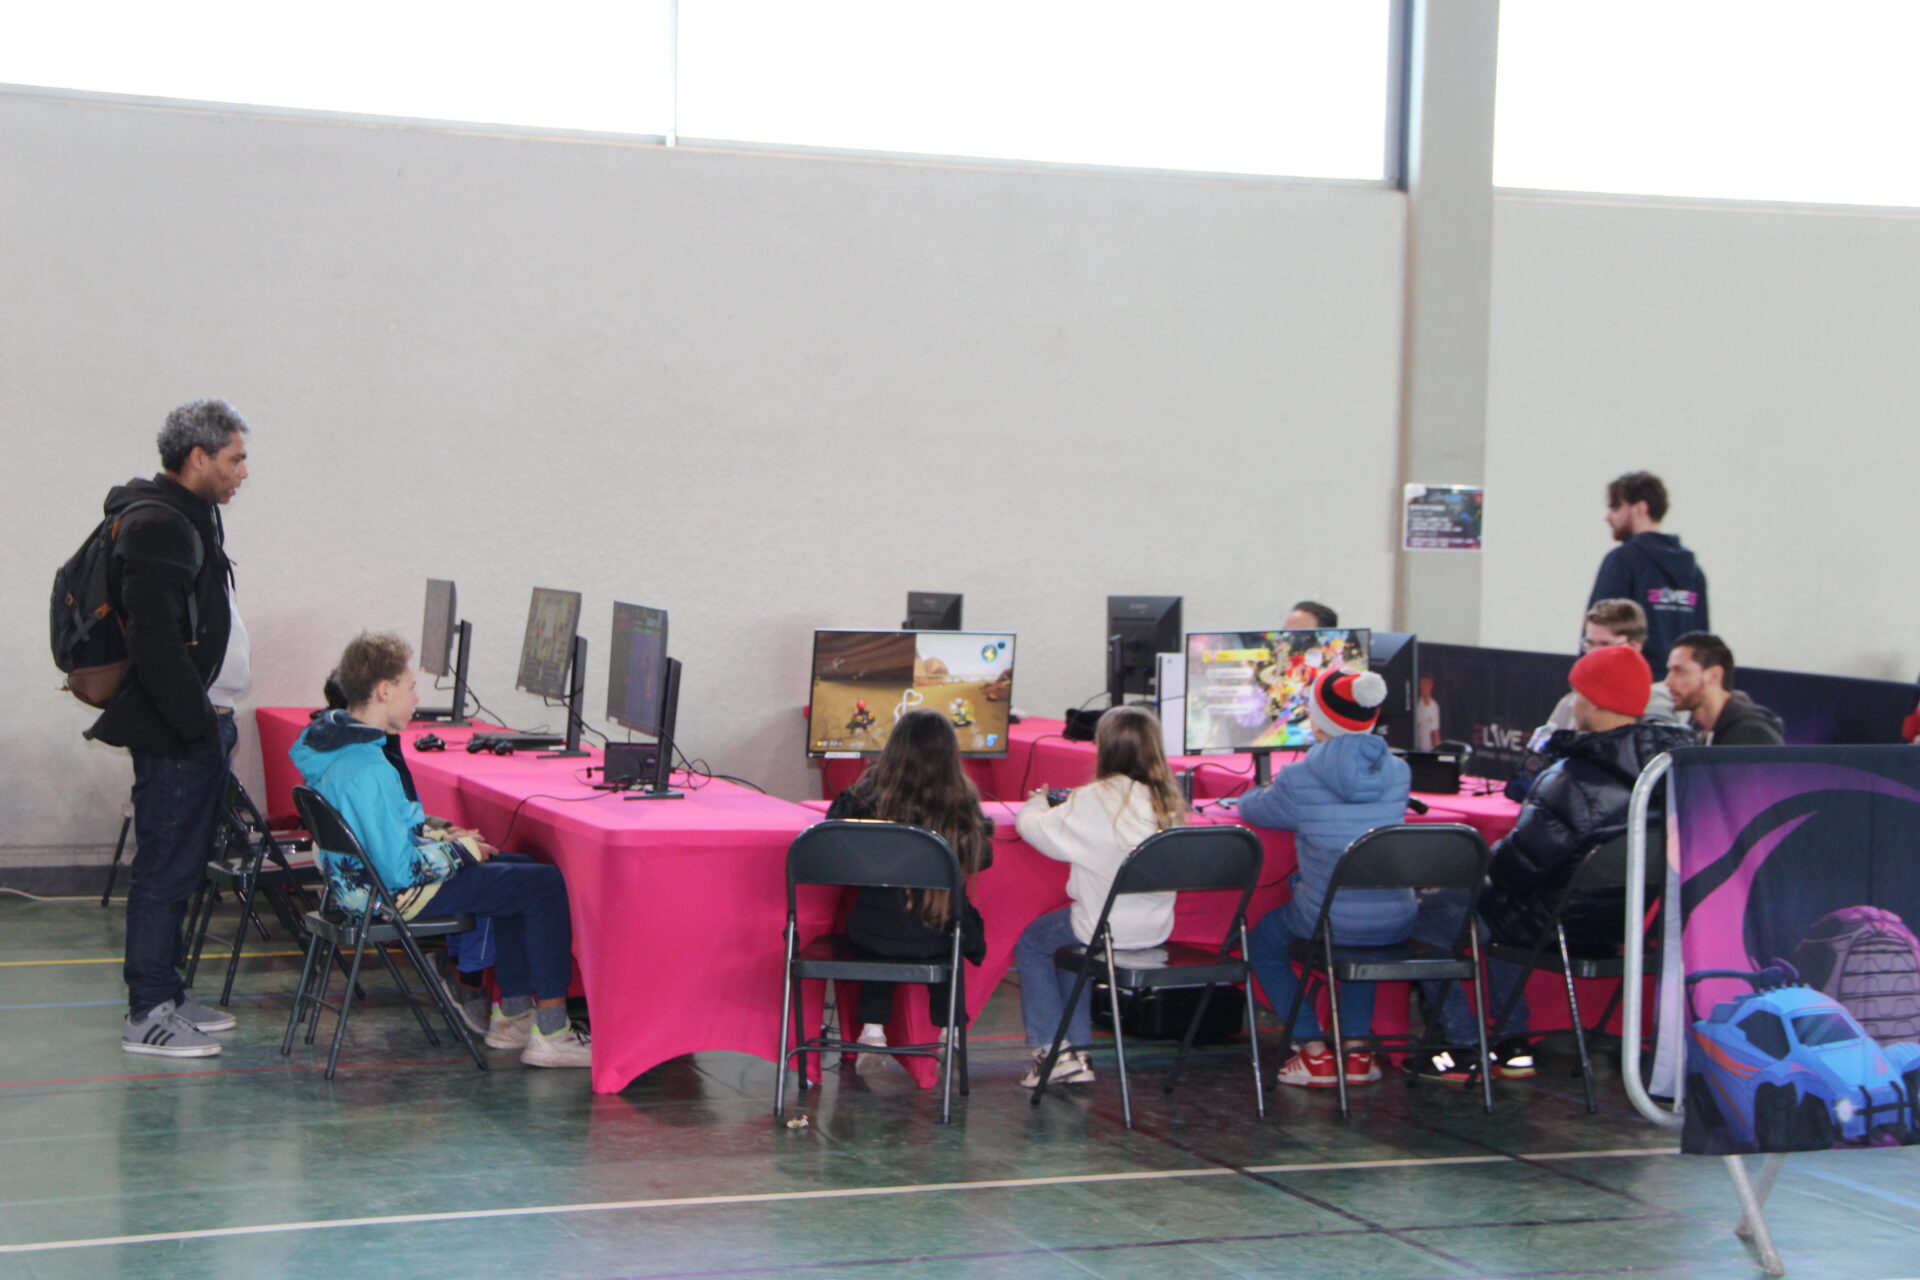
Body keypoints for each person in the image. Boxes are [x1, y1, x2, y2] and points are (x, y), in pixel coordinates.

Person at [292, 632, 593, 1068]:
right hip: (387, 895)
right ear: (384, 691)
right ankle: (551, 1032)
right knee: (543, 886)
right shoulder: (368, 768)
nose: (416, 698)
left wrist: (443, 838)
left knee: (521, 870)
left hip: (356, 889)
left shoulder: (339, 747)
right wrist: (462, 852)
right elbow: (398, 870)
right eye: (410, 687)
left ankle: (513, 1017)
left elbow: (387, 831)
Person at [1407, 644, 1695, 1082]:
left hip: (1555, 923)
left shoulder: (1572, 780)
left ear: (1594, 702)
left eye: (1577, 693)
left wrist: (1472, 869)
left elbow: (1514, 868)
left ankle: (1461, 1045)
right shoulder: (1667, 774)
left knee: (1431, 913)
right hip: (1620, 924)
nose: (1573, 703)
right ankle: (1512, 1042)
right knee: (1500, 905)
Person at [89, 400, 251, 1057]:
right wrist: (196, 727)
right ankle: (147, 1013)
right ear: (198, 457)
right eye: (235, 458)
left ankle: (169, 994)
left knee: (182, 868)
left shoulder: (188, 515)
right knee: (163, 870)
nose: (244, 472)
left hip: (193, 726)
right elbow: (154, 641)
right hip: (177, 733)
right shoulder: (158, 524)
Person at [1241, 668, 1412, 1088]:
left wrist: (1257, 790)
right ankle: (1356, 1052)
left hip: (1325, 916)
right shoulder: (1399, 772)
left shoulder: (1298, 777)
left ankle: (1312, 1048)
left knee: (1262, 944)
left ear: (1317, 724)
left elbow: (1254, 809)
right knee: (1361, 934)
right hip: (1395, 916)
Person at [1012, 705, 1186, 1087]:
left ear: (1104, 748)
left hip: (1102, 928)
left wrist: (1039, 802)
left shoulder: (1093, 799)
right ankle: (1076, 1052)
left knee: (1032, 943)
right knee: (1069, 952)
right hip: (1155, 928)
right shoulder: (1169, 803)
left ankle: (1050, 1051)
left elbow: (1035, 829)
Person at [824, 709, 994, 1072]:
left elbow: (834, 836)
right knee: (953, 924)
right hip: (938, 935)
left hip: (873, 932)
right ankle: (950, 1030)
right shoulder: (961, 801)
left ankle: (872, 1031)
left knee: (882, 921)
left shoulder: (866, 796)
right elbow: (981, 858)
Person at [1588, 471, 1709, 674]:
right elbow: (1703, 646)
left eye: (1615, 507)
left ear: (1640, 509)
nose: (1607, 517)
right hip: (1678, 687)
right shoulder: (1694, 571)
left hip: (1630, 684)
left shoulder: (1622, 560)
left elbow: (1598, 631)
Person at [1545, 600, 1682, 730]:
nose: (1593, 653)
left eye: (1605, 645)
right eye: (1589, 644)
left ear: (1634, 647)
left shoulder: (1658, 706)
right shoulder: (1570, 703)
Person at [1666, 632, 1785, 745]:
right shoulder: (1695, 731)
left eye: (1680, 671)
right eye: (1670, 671)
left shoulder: (1752, 734)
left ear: (1714, 675)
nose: (1668, 682)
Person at [1415, 673, 1442, 751]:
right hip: (1416, 750)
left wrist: (1439, 752)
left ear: (1431, 685)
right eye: (1422, 683)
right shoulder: (1415, 705)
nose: (1424, 687)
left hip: (1429, 751)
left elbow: (1435, 733)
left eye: (1427, 683)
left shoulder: (1434, 706)